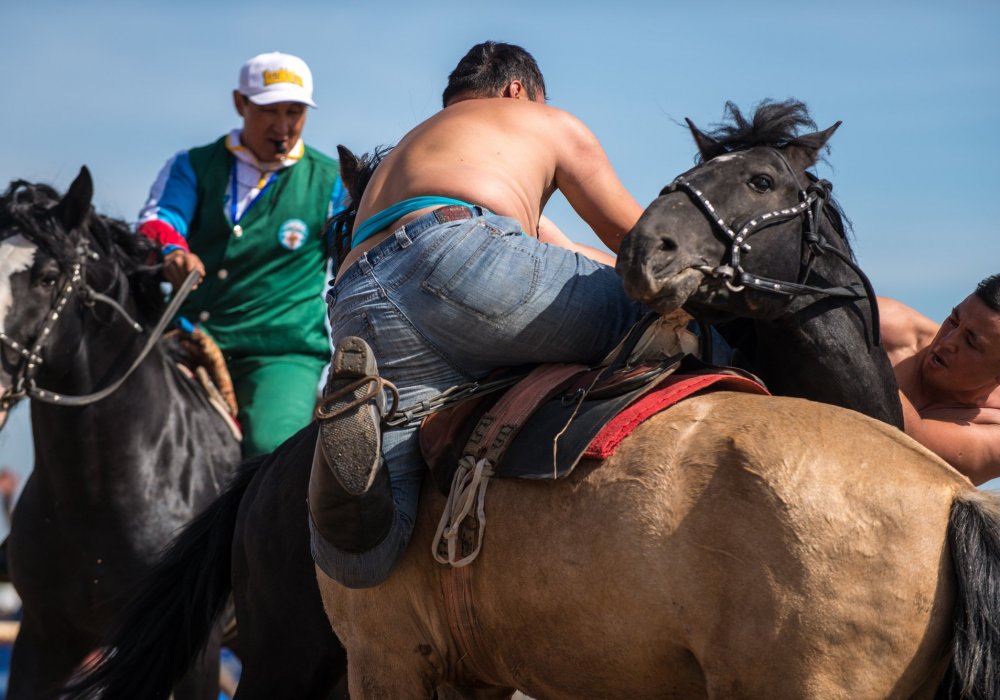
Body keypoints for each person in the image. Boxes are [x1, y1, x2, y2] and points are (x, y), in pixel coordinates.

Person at [308, 41, 651, 588]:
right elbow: (646, 248)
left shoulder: (419, 153)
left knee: (370, 554)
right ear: (519, 91)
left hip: (359, 295)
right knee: (662, 317)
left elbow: (561, 256)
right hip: (461, 254)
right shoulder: (540, 121)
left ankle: (356, 437)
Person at [138, 52, 345, 457]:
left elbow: (353, 262)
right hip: (187, 336)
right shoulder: (191, 166)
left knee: (270, 453)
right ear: (240, 103)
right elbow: (159, 219)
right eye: (269, 110)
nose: (283, 126)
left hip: (281, 350)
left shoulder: (332, 182)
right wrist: (173, 253)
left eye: (295, 111)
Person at [879, 274, 1000, 485]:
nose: (946, 341)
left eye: (971, 342)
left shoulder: (994, 430)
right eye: (953, 321)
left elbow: (909, 441)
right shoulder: (885, 329)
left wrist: (856, 352)